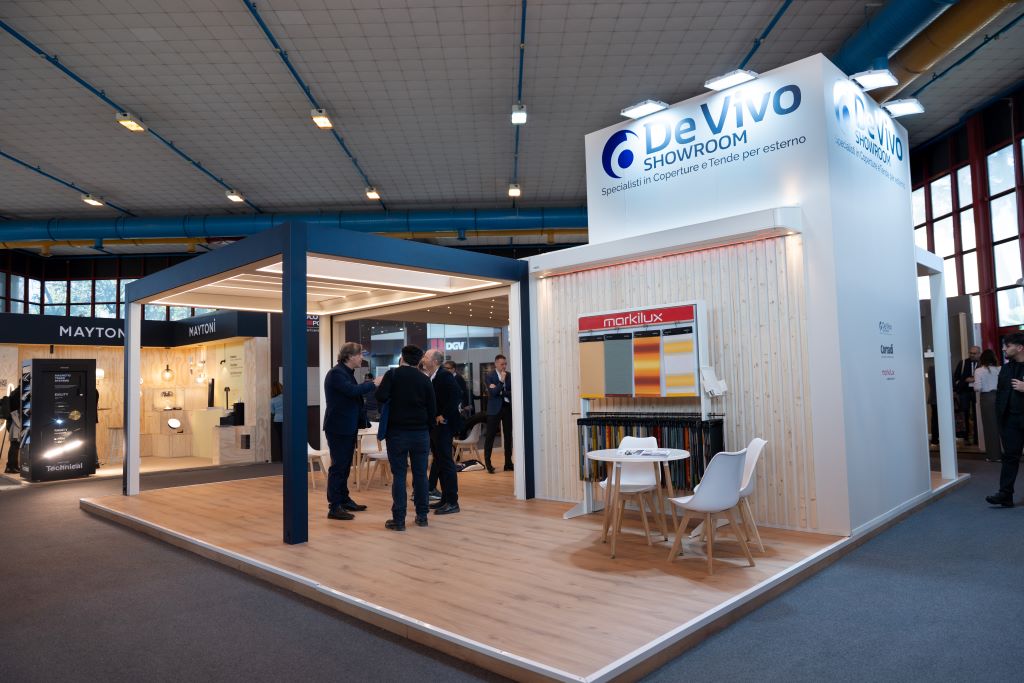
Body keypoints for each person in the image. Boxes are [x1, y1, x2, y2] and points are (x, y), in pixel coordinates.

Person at [375, 345, 435, 531]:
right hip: (420, 433)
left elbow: (380, 397)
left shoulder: (392, 375)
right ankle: (422, 516)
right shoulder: (425, 379)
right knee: (421, 475)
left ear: (402, 357)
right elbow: (432, 409)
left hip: (397, 433)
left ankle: (399, 520)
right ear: (419, 360)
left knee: (399, 475)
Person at [323, 342, 382, 520]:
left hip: (346, 426)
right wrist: (373, 383)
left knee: (345, 466)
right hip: (338, 427)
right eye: (359, 354)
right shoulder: (336, 373)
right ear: (349, 356)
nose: (362, 358)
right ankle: (334, 506)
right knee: (339, 467)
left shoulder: (346, 373)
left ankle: (344, 499)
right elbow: (352, 391)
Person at [423, 349, 463, 515]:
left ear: (434, 361)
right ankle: (445, 499)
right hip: (436, 427)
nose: (423, 359)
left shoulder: (444, 375)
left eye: (426, 357)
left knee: (446, 463)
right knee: (439, 462)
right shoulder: (432, 376)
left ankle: (452, 502)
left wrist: (443, 415)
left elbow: (456, 396)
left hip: (444, 426)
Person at [987, 333, 1024, 507]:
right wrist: (1001, 417)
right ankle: (1005, 495)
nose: (1003, 349)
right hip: (1010, 421)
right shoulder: (1006, 368)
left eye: (1007, 346)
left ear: (1020, 347)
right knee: (1009, 457)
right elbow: (1001, 394)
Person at [483, 353, 513, 473]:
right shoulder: (489, 376)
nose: (504, 366)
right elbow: (493, 393)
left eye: (505, 364)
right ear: (496, 364)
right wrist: (501, 382)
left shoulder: (510, 375)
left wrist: (500, 391)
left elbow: (512, 392)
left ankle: (508, 463)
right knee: (490, 436)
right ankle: (488, 464)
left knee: (508, 436)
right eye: (502, 364)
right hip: (494, 409)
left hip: (507, 408)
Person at [973, 349, 1001, 463]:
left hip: (987, 399)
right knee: (1003, 426)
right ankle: (1007, 452)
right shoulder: (1000, 369)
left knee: (990, 427)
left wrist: (973, 383)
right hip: (1000, 397)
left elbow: (977, 388)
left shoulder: (979, 371)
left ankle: (994, 456)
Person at [953, 345, 981, 444]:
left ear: (979, 354)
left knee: (977, 414)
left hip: (977, 392)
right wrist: (965, 380)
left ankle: (978, 437)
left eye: (974, 353)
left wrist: (975, 379)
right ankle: (965, 437)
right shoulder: (963, 363)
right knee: (964, 413)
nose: (972, 355)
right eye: (971, 353)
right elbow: (956, 378)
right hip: (964, 392)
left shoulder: (982, 364)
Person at [270, 381, 283, 463]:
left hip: (277, 421)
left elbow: (272, 412)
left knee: (280, 439)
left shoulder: (272, 400)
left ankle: (282, 458)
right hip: (287, 421)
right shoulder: (286, 397)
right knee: (288, 440)